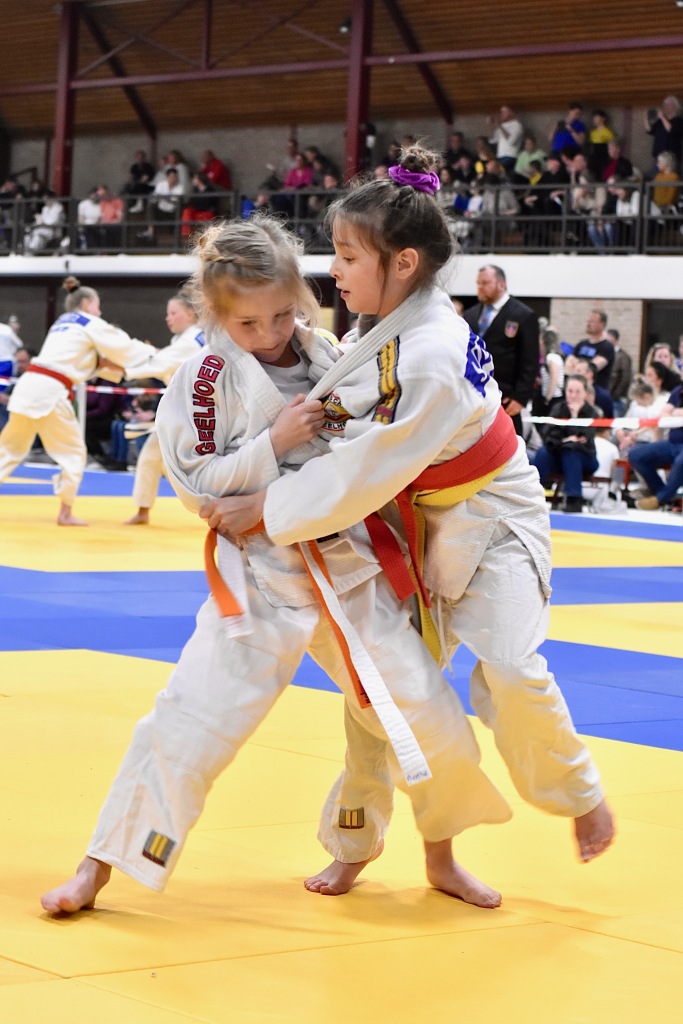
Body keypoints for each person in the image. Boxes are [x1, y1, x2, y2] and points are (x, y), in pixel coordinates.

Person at [41, 217, 511, 916]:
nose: (269, 333)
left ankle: (437, 857)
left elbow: (371, 450)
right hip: (262, 574)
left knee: (423, 709)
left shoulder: (329, 352)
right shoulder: (201, 379)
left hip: (348, 560)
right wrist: (275, 443)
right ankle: (99, 865)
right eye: (248, 322)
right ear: (214, 312)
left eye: (283, 314)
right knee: (192, 716)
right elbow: (200, 488)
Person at [202, 147, 614, 877]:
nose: (334, 269)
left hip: (492, 516)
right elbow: (351, 426)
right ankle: (367, 845)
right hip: (407, 515)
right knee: (384, 685)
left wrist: (266, 505)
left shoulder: (430, 352)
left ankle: (578, 791)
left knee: (512, 668)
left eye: (347, 256)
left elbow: (365, 467)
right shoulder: (378, 327)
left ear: (403, 262)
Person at [0, 276, 152, 525]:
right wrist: (152, 355)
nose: (99, 312)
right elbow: (124, 348)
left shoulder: (62, 323)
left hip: (28, 387)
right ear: (87, 304)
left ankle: (65, 510)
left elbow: (87, 362)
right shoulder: (89, 322)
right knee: (73, 452)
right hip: (49, 391)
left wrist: (113, 366)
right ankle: (65, 512)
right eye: (97, 306)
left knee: (8, 449)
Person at [116, 289, 209, 525]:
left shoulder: (192, 339)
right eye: (168, 313)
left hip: (195, 411)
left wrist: (122, 369)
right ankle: (143, 510)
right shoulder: (188, 340)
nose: (168, 318)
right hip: (184, 410)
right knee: (151, 456)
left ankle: (218, 507)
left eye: (173, 313)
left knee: (195, 467)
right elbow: (166, 361)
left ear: (190, 314)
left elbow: (159, 364)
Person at [462, 264, 540, 436]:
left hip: (506, 397)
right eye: (478, 283)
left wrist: (520, 397)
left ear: (501, 284)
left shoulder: (523, 315)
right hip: (473, 397)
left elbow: (530, 360)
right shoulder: (470, 315)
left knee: (507, 444)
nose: (480, 287)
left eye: (485, 283)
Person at [531, 375, 600, 513]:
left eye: (578, 392)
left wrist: (574, 416)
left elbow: (584, 438)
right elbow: (548, 435)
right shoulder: (558, 408)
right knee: (544, 451)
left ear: (585, 393)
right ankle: (532, 492)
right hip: (559, 454)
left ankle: (574, 499)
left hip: (585, 458)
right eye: (570, 391)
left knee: (571, 451)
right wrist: (565, 440)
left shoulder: (592, 412)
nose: (573, 395)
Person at [630, 376, 683, 511]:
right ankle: (665, 495)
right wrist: (676, 413)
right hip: (673, 442)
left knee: (681, 462)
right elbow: (663, 413)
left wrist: (675, 412)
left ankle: (660, 499)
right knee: (636, 455)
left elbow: (669, 413)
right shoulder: (678, 391)